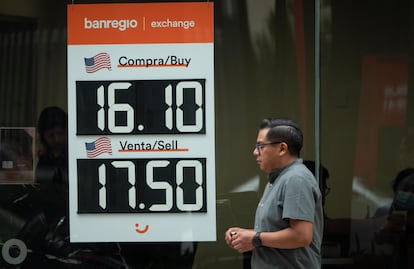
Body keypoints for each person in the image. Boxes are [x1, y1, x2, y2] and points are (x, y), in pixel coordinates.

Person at [225, 118, 324, 269]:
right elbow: (275, 233)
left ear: (282, 149)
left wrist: (255, 238)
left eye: (260, 146)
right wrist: (246, 236)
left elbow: (301, 236)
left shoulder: (295, 179)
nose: (255, 152)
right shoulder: (279, 179)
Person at [35, 106, 68, 183]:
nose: (56, 139)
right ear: (43, 135)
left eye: (60, 133)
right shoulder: (39, 155)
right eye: (51, 135)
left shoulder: (72, 155)